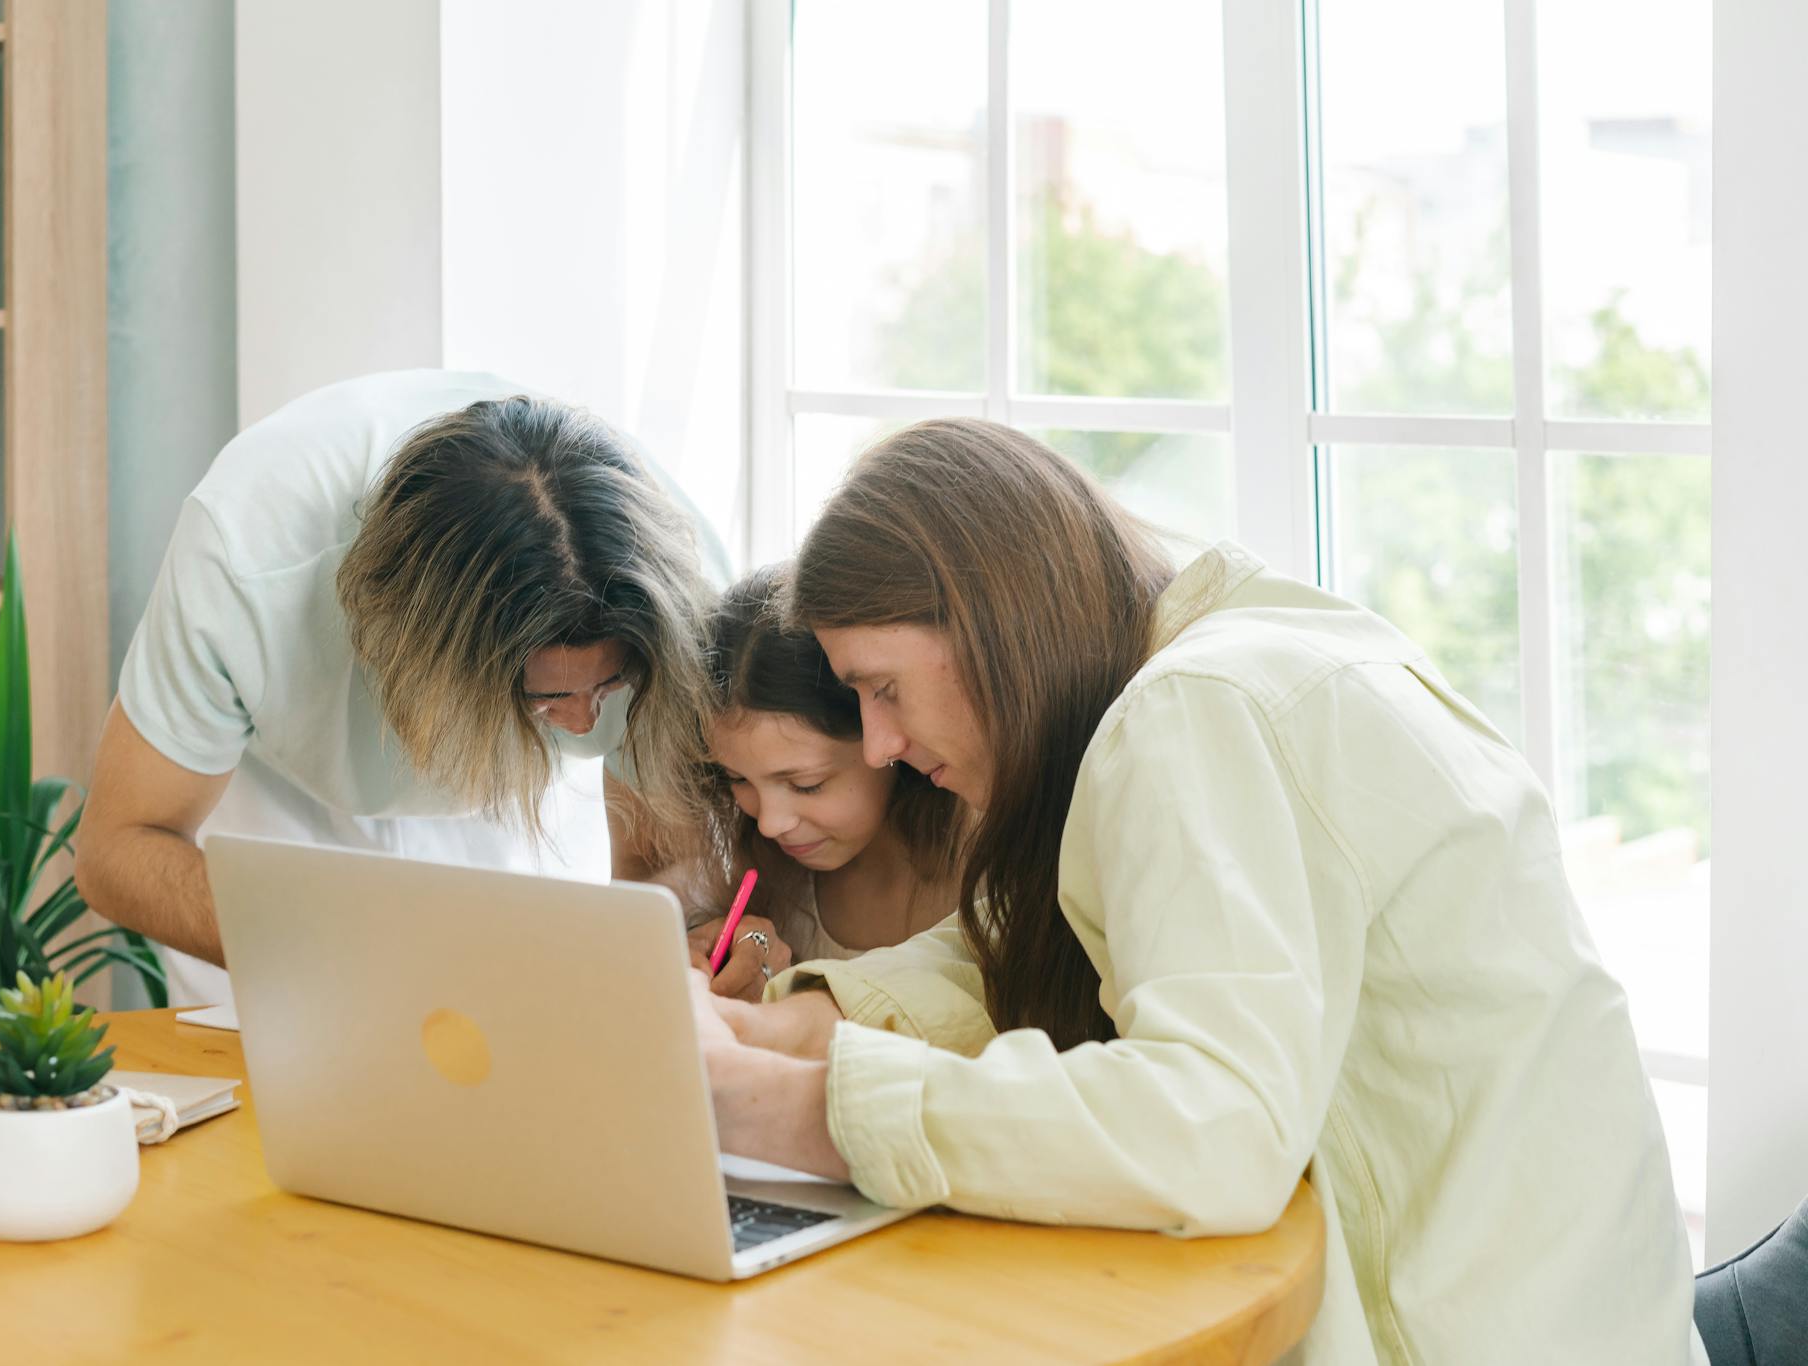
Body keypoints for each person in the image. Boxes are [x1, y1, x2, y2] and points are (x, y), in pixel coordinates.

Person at [690, 420, 1700, 1363]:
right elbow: (1038, 934)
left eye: (883, 688)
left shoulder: (1189, 714)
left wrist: (793, 1106)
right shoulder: (1245, 646)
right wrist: (789, 1023)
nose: (881, 745)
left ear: (985, 620)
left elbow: (1211, 1126)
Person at [75, 370, 750, 1005]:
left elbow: (662, 865)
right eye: (543, 699)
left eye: (607, 687)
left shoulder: (675, 603)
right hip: (280, 813)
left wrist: (679, 943)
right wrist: (336, 949)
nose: (579, 725)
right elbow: (119, 849)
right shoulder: (245, 562)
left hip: (507, 815)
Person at [678, 566, 964, 1001]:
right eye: (737, 779)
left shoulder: (984, 872)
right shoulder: (769, 876)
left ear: (885, 738)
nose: (770, 824)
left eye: (807, 784)